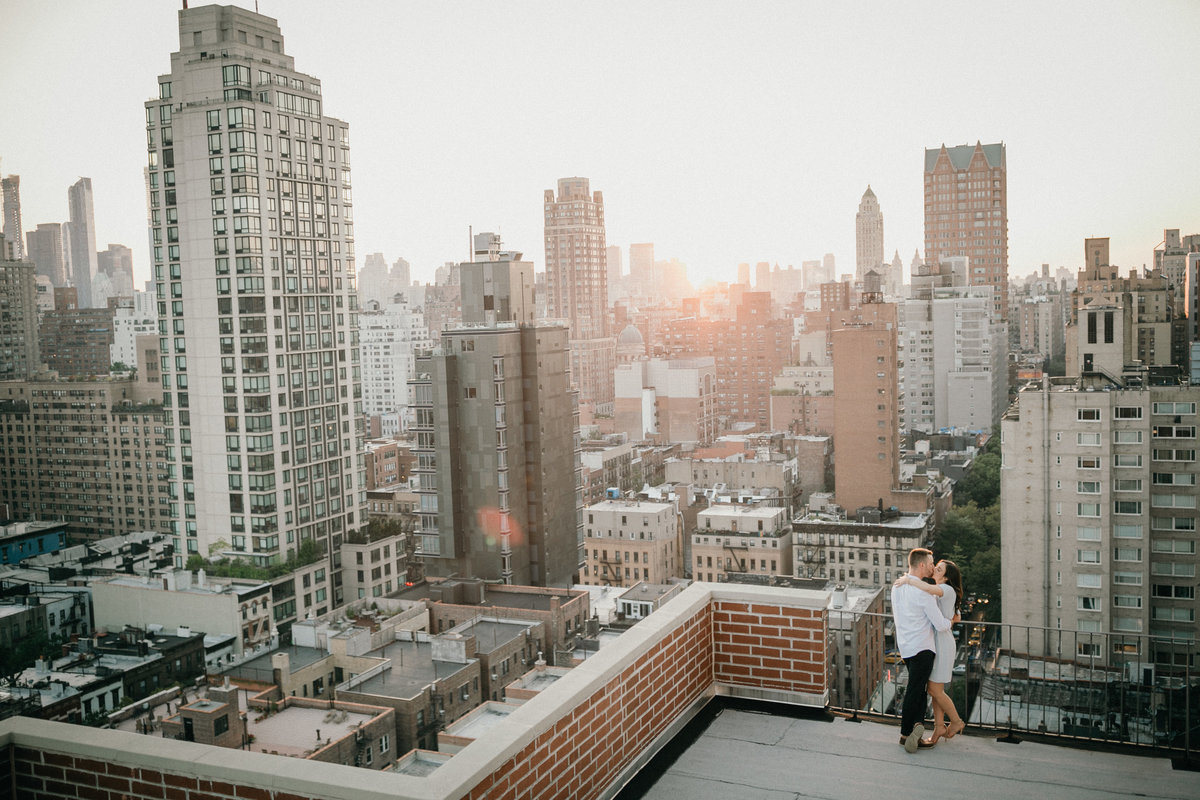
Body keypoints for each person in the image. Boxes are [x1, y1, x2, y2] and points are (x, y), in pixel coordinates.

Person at [895, 559, 966, 742]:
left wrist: (908, 580)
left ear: (946, 576)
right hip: (935, 641)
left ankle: (957, 721)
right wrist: (951, 619)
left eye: (939, 568)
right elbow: (956, 615)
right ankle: (939, 728)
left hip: (942, 642)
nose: (935, 568)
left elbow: (927, 590)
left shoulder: (945, 589)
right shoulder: (941, 592)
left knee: (935, 690)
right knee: (935, 689)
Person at [890, 548, 952, 753]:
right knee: (916, 690)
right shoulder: (924, 593)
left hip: (906, 646)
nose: (934, 566)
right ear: (923, 565)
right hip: (923, 647)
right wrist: (951, 620)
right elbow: (940, 625)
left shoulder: (897, 587)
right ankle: (906, 733)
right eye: (932, 562)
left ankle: (916, 728)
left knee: (918, 689)